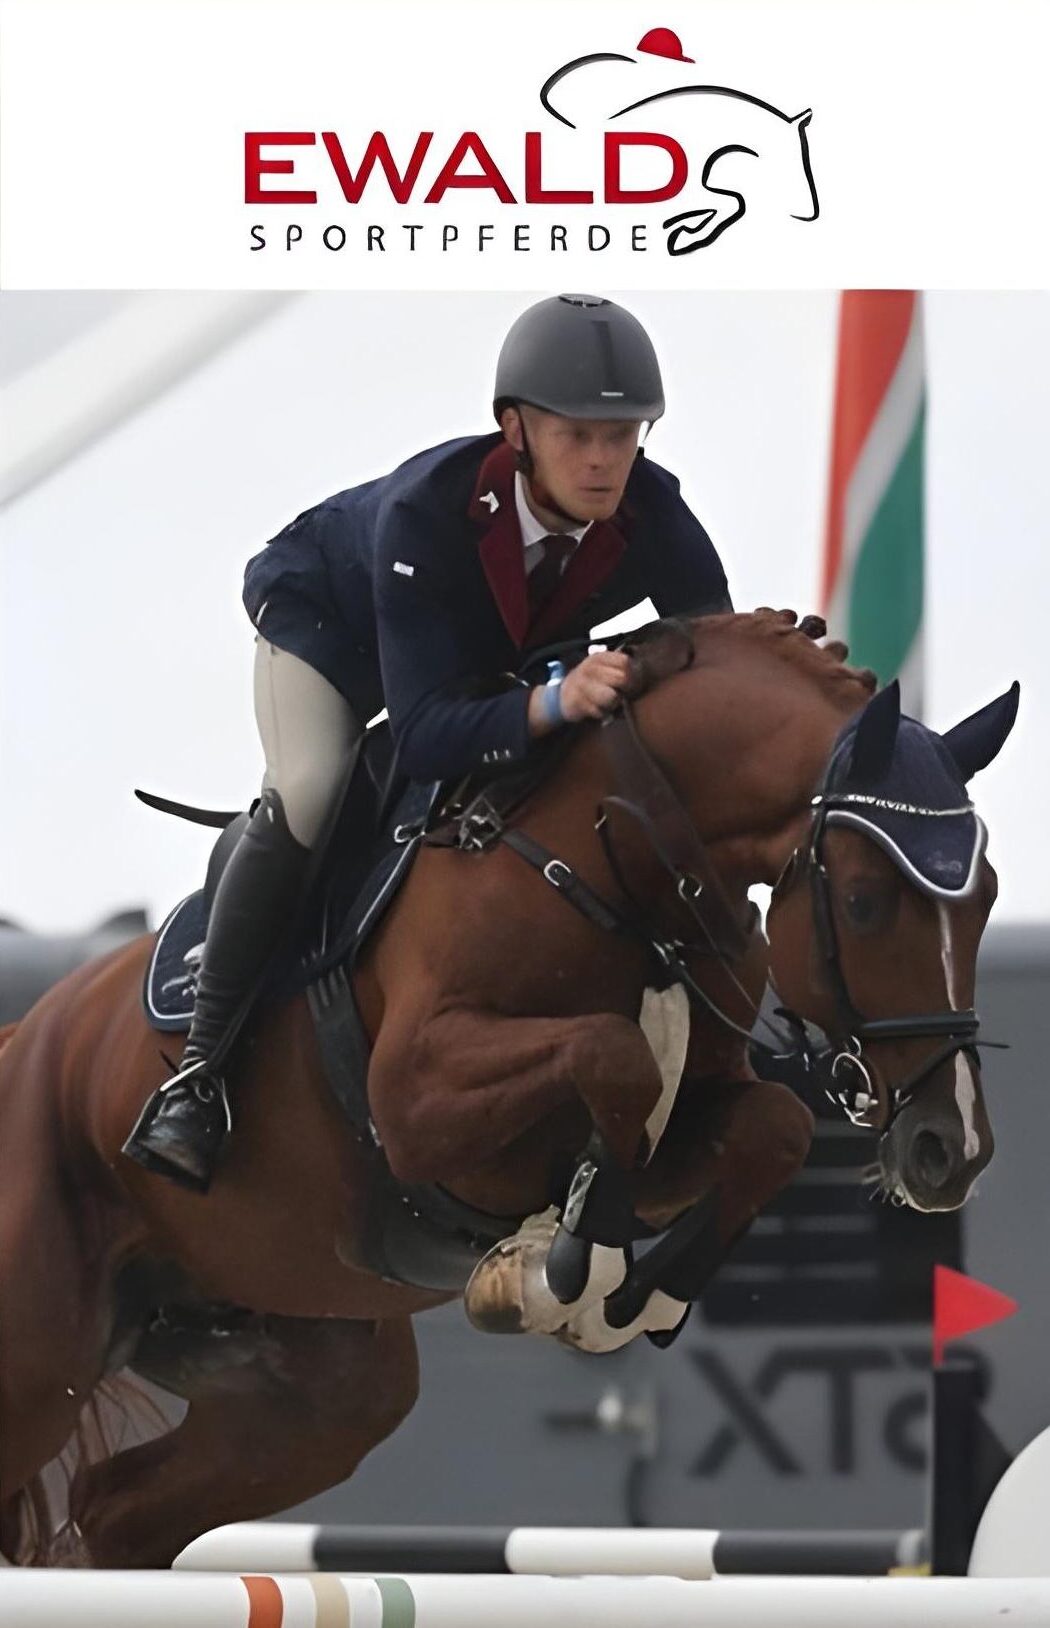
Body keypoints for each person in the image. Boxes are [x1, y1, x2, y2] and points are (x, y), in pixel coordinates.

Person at [122, 293, 732, 1192]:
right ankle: (197, 1078)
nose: (606, 461)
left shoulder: (650, 506)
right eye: (577, 435)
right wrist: (560, 699)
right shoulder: (429, 515)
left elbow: (710, 638)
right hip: (331, 627)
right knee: (316, 786)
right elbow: (426, 735)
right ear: (516, 430)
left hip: (479, 649)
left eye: (626, 434)